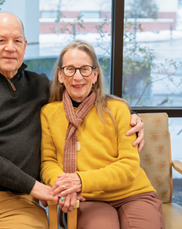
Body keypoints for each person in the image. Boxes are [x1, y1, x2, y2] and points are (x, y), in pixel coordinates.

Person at [0, 13, 145, 229]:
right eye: (1, 41)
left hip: (16, 202)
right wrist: (34, 186)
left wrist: (129, 116)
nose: (10, 48)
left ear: (24, 46)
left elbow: (83, 95)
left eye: (17, 41)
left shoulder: (40, 86)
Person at [40, 40, 164, 229]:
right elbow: (48, 162)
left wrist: (80, 181)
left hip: (134, 193)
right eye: (70, 69)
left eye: (85, 69)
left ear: (95, 74)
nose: (78, 77)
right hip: (87, 199)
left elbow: (129, 166)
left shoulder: (118, 109)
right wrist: (65, 186)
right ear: (60, 75)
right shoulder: (49, 113)